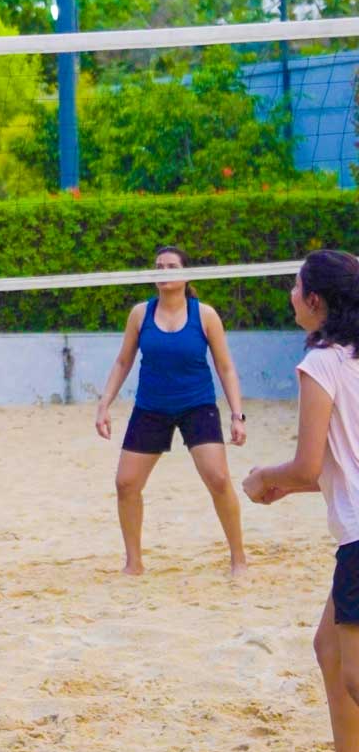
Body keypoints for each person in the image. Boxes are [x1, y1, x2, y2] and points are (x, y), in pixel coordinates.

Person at [243, 249, 359, 752]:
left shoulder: (321, 365)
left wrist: (268, 477)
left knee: (356, 672)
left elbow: (310, 464)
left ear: (316, 302)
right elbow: (339, 468)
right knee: (329, 650)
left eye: (295, 287)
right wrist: (292, 487)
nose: (289, 295)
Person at [95, 244, 248, 577]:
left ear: (185, 274)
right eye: (158, 267)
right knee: (126, 483)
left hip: (197, 405)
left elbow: (225, 367)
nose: (163, 273)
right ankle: (134, 563)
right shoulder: (140, 313)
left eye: (170, 267)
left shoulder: (204, 315)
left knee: (219, 479)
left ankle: (238, 559)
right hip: (152, 407)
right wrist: (104, 403)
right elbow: (123, 361)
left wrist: (237, 415)